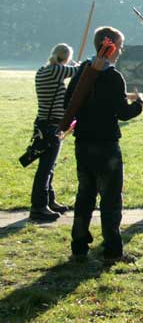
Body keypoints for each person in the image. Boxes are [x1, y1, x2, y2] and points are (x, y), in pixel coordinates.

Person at [65, 27, 143, 264]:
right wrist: (138, 104)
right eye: (118, 46)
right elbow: (123, 113)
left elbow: (70, 101)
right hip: (107, 145)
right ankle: (112, 249)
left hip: (83, 142)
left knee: (85, 195)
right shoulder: (112, 76)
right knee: (110, 200)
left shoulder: (83, 71)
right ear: (108, 47)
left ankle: (79, 246)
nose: (120, 51)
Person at [29, 44, 80, 221]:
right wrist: (77, 64)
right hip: (51, 126)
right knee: (45, 168)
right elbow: (78, 71)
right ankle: (39, 207)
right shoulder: (55, 71)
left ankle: (50, 201)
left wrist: (71, 63)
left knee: (49, 166)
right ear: (65, 57)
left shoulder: (42, 70)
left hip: (45, 124)